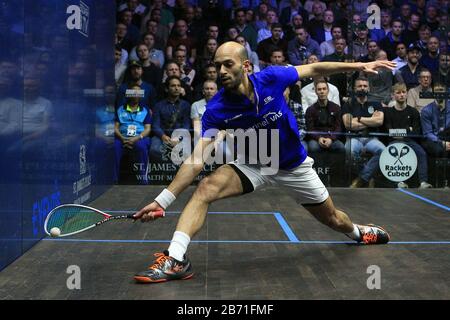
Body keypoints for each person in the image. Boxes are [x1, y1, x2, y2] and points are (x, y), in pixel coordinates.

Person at [132, 41, 394, 283]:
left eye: (228, 64)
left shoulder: (272, 78)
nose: (221, 70)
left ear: (246, 66)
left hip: (293, 166)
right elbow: (196, 159)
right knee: (205, 188)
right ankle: (176, 259)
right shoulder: (217, 109)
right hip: (254, 163)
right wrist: (162, 200)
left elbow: (314, 67)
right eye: (217, 65)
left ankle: (358, 233)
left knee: (335, 221)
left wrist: (358, 66)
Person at [384, 83, 432, 189]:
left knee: (422, 153)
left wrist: (399, 132)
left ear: (406, 94)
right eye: (398, 92)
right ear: (393, 95)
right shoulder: (388, 112)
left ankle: (423, 182)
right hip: (394, 142)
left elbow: (415, 131)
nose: (401, 95)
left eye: (404, 92)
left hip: (410, 141)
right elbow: (389, 131)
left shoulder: (413, 111)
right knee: (396, 152)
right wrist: (407, 130)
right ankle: (399, 181)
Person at [342, 77, 386, 188]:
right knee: (349, 150)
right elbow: (348, 124)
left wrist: (359, 118)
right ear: (354, 88)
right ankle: (367, 176)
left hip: (371, 137)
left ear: (369, 88)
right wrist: (370, 120)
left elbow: (379, 121)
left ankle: (361, 179)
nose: (362, 88)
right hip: (354, 137)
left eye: (365, 86)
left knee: (383, 151)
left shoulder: (376, 103)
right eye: (360, 86)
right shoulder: (349, 104)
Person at [114, 85, 152, 184]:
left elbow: (148, 129)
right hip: (121, 137)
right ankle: (114, 179)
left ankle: (143, 179)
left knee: (141, 147)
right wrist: (122, 138)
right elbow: (116, 127)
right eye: (133, 92)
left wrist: (136, 138)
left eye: (138, 93)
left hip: (139, 138)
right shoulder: (120, 109)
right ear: (129, 94)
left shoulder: (145, 110)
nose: (135, 95)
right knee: (115, 147)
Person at [305, 79, 344, 154]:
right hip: (316, 139)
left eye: (324, 89)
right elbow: (310, 129)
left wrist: (331, 139)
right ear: (316, 92)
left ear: (328, 90)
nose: (322, 91)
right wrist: (319, 138)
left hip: (332, 137)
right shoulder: (310, 110)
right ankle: (317, 166)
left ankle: (335, 166)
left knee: (340, 147)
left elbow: (338, 127)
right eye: (319, 89)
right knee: (313, 147)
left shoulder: (336, 108)